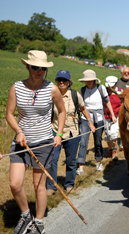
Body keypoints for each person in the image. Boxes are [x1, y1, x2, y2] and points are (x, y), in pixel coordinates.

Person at [6, 50, 65, 234]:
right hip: (21, 142)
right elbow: (9, 114)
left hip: (44, 142)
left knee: (39, 186)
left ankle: (39, 222)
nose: (39, 70)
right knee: (15, 184)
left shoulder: (52, 89)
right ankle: (25, 216)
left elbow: (62, 111)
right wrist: (19, 131)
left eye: (42, 68)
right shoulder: (17, 87)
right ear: (27, 66)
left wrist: (59, 134)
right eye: (35, 67)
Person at [46, 70, 96, 196]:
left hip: (72, 132)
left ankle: (69, 184)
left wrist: (90, 122)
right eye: (59, 80)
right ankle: (51, 186)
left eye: (64, 80)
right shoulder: (52, 94)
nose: (61, 82)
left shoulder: (74, 95)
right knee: (52, 159)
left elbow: (83, 109)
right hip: (55, 131)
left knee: (71, 160)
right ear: (56, 81)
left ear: (69, 82)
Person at [76, 70, 117, 175]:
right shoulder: (82, 90)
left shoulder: (101, 88)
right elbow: (80, 105)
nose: (88, 82)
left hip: (98, 118)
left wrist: (112, 115)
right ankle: (81, 165)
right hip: (86, 118)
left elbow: (107, 101)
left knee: (98, 142)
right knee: (83, 141)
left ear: (94, 80)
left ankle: (98, 161)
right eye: (86, 80)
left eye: (90, 80)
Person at [104, 76, 123, 160]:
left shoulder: (120, 91)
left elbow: (123, 103)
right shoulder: (104, 91)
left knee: (114, 134)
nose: (110, 86)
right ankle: (110, 150)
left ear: (115, 84)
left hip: (116, 116)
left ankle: (114, 153)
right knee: (107, 135)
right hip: (106, 116)